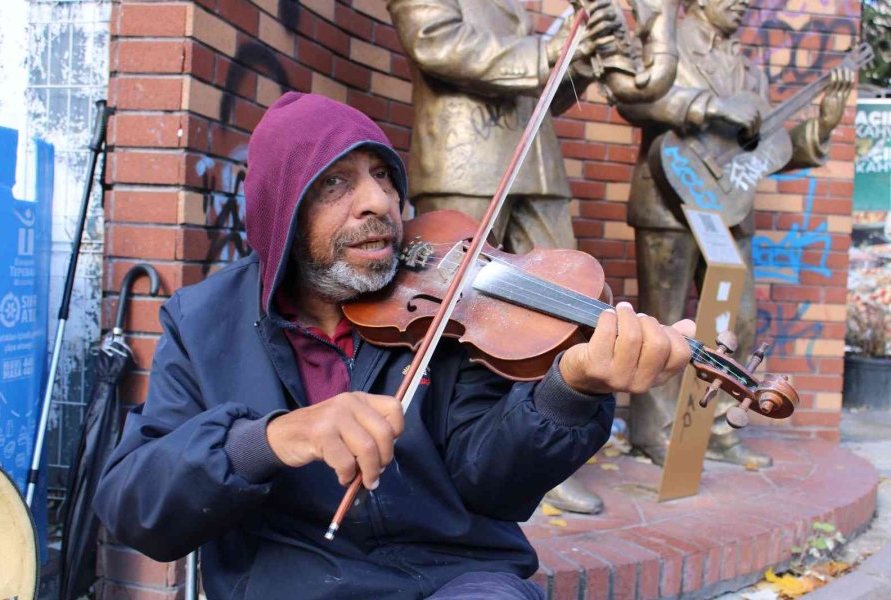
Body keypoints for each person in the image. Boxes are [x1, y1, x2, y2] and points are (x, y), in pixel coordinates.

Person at [94, 93, 695, 600]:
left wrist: (568, 391)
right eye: (336, 183)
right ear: (282, 210)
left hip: (455, 578)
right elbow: (135, 507)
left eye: (383, 176)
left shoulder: (450, 306)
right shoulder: (204, 322)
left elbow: (493, 484)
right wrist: (273, 439)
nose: (380, 202)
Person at [386, 0, 622, 515]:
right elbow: (436, 43)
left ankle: (544, 452)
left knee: (563, 309)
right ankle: (447, 449)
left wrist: (576, 58)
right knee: (457, 315)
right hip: (464, 158)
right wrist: (545, 51)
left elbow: (539, 90)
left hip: (538, 165)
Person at [616, 0, 854, 467]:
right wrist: (712, 108)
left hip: (729, 210)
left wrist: (822, 125)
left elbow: (763, 149)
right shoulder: (667, 40)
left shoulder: (748, 69)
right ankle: (652, 431)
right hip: (668, 198)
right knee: (662, 319)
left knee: (738, 319)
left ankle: (719, 426)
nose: (743, 4)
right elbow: (635, 99)